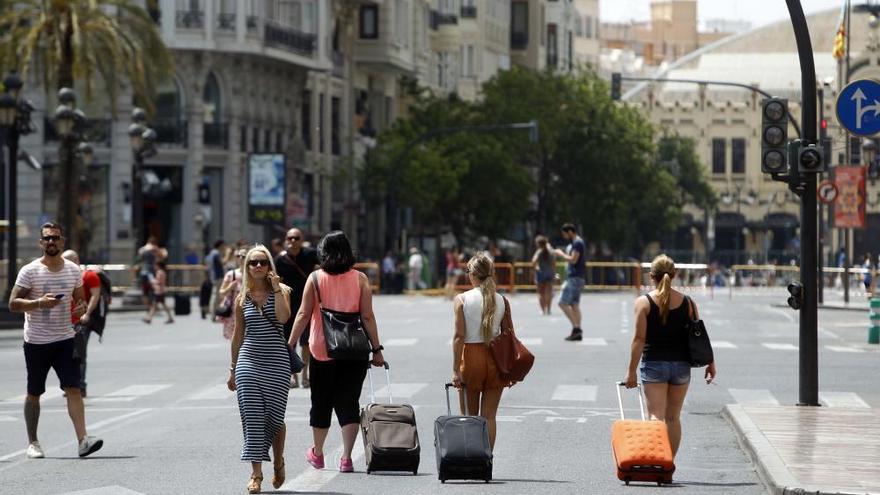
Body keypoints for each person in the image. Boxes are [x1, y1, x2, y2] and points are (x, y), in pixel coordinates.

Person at [288, 230, 385, 474]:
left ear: (323, 252)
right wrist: (377, 350)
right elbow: (368, 316)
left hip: (322, 349)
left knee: (320, 401)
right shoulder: (361, 278)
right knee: (348, 401)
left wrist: (289, 345)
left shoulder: (315, 278)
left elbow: (302, 314)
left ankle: (318, 454)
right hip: (354, 350)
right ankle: (346, 458)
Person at [8, 222, 103, 459]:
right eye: (47, 239)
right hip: (37, 342)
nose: (51, 242)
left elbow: (79, 298)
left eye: (55, 238)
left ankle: (83, 440)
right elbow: (12, 304)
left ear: (62, 241)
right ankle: (33, 442)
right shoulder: (29, 271)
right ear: (41, 243)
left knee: (73, 388)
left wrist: (81, 306)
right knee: (34, 392)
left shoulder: (72, 270)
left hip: (65, 338)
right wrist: (39, 303)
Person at [623, 254, 716, 458]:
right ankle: (669, 464)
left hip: (654, 365)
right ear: (674, 275)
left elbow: (639, 339)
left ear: (651, 276)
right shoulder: (689, 303)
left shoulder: (644, 302)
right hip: (682, 366)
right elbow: (698, 336)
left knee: (655, 416)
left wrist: (631, 372)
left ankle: (659, 462)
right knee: (673, 418)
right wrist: (711, 363)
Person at [227, 245, 293, 494]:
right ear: (246, 267)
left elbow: (284, 318)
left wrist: (275, 288)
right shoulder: (242, 298)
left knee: (275, 417)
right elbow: (237, 336)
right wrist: (233, 369)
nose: (257, 266)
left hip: (276, 361)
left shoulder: (283, 290)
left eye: (262, 262)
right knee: (252, 417)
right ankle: (256, 475)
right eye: (253, 263)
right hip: (249, 361)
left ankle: (278, 462)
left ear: (269, 266)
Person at [451, 252, 508, 451]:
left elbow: (459, 336)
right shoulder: (501, 300)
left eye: (468, 271)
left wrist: (455, 369)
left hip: (471, 357)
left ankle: (470, 458)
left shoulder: (462, 299)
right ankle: (487, 459)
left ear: (474, 274)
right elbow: (508, 334)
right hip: (495, 359)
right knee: (489, 416)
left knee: (469, 415)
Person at [275, 228, 320, 389]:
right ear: (286, 240)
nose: (293, 240)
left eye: (296, 238)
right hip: (288, 306)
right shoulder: (280, 260)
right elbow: (274, 281)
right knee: (289, 342)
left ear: (302, 239)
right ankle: (293, 376)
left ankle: (306, 374)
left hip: (308, 304)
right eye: (290, 238)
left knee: (306, 342)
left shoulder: (310, 254)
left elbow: (324, 268)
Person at [60, 250, 103, 398]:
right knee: (67, 355)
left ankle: (80, 385)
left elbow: (95, 296)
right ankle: (71, 384)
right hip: (66, 321)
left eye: (68, 260)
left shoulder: (89, 275)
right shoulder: (64, 277)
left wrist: (87, 314)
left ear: (76, 260)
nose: (65, 263)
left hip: (82, 322)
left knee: (79, 354)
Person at [554, 223, 587, 341]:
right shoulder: (576, 243)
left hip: (574, 277)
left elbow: (573, 260)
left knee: (562, 303)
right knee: (574, 305)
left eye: (565, 234)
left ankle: (577, 328)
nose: (564, 237)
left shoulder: (577, 243)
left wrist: (561, 254)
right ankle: (576, 331)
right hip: (577, 277)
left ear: (570, 232)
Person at [218, 248, 247, 340]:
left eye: (244, 256)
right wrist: (230, 287)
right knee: (234, 339)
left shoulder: (253, 274)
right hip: (233, 311)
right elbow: (221, 292)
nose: (241, 258)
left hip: (248, 310)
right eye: (238, 256)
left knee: (247, 339)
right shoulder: (231, 274)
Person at [532, 236, 557, 315]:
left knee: (541, 293)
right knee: (549, 292)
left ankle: (543, 310)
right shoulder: (551, 252)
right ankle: (549, 310)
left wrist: (536, 267)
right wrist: (554, 273)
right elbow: (553, 264)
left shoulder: (539, 251)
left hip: (541, 273)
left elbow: (533, 261)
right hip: (549, 273)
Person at [143, 260, 174, 324]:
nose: (155, 266)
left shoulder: (159, 272)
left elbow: (159, 281)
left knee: (155, 305)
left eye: (156, 265)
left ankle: (149, 319)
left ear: (159, 266)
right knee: (161, 305)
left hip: (159, 291)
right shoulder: (162, 272)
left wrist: (152, 281)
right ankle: (170, 318)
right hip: (161, 290)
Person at [205, 240, 226, 320]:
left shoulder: (211, 253)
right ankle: (214, 315)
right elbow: (222, 262)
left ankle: (214, 314)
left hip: (213, 276)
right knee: (217, 296)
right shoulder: (216, 253)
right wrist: (227, 255)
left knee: (214, 295)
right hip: (218, 276)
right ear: (220, 245)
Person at [137, 236, 160, 306]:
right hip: (151, 271)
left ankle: (147, 306)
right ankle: (154, 305)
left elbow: (140, 258)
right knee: (154, 288)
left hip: (143, 270)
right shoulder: (154, 248)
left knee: (145, 290)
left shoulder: (142, 249)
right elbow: (160, 256)